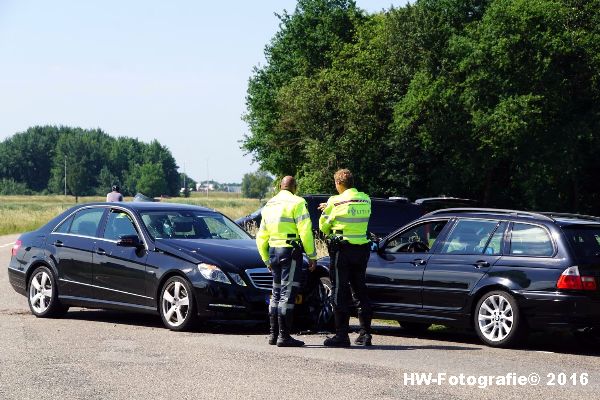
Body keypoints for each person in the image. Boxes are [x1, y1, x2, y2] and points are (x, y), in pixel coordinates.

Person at [256, 176, 317, 347]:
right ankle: (284, 336)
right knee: (287, 295)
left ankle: (273, 335)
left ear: (279, 186)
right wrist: (312, 256)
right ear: (294, 187)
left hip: (274, 252)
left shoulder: (269, 204)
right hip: (289, 252)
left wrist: (266, 258)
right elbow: (305, 231)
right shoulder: (298, 202)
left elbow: (261, 236)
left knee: (275, 294)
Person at [318, 169, 373, 347]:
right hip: (362, 249)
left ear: (338, 183)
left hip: (343, 250)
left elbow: (324, 227)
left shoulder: (334, 201)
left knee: (339, 291)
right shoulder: (366, 198)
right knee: (360, 290)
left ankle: (341, 335)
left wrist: (326, 210)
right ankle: (365, 334)